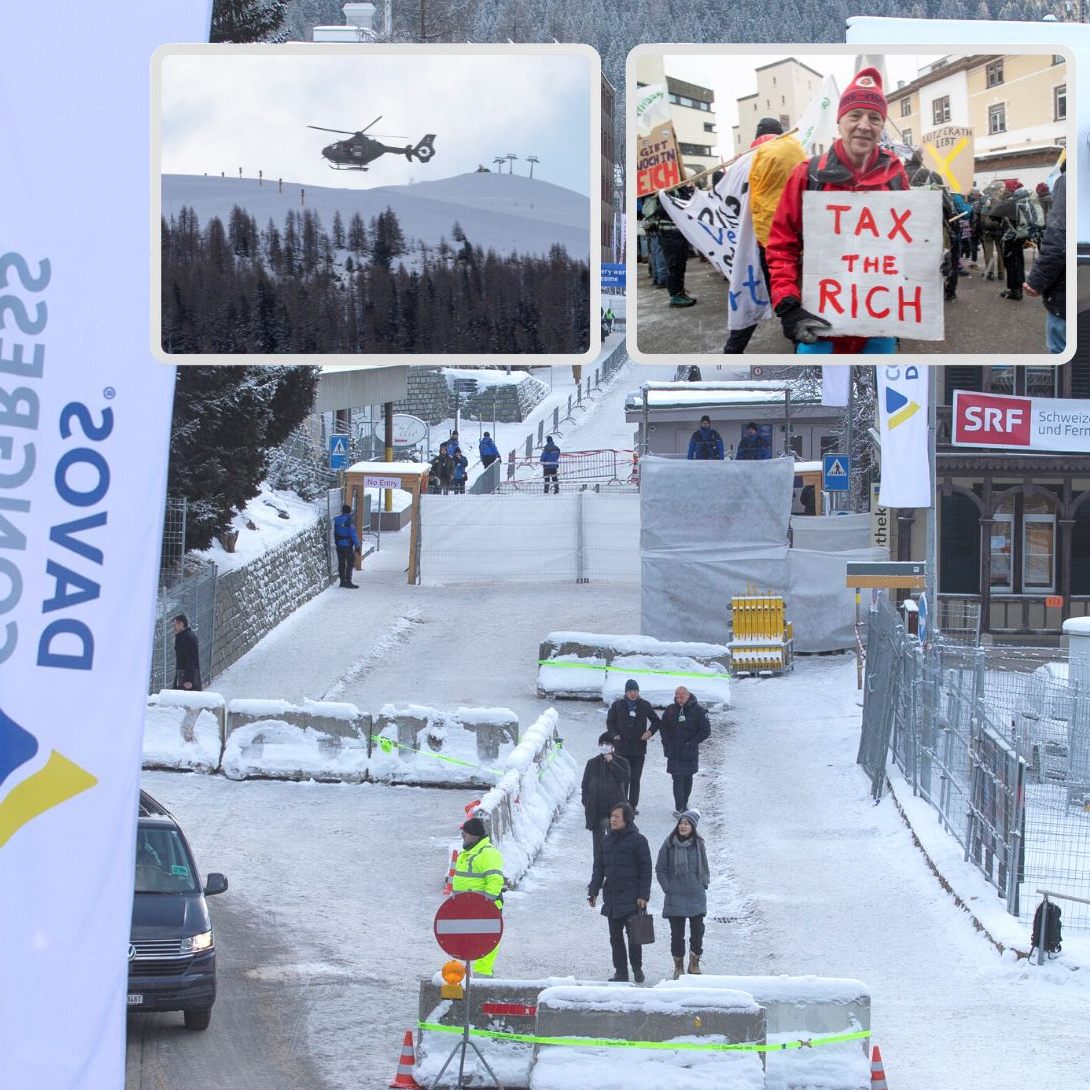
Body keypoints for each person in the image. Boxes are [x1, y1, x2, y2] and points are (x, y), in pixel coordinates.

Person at [766, 67, 910, 354]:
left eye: (874, 118)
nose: (864, 125)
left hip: (878, 319)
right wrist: (787, 303)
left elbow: (908, 241)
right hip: (820, 322)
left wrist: (929, 265)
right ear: (840, 121)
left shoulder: (896, 175)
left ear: (882, 126)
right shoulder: (808, 174)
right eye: (855, 116)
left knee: (876, 393)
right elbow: (782, 245)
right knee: (819, 394)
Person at [724, 117, 807, 353]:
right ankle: (799, 347)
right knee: (790, 297)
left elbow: (726, 201)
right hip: (794, 239)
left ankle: (733, 349)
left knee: (749, 291)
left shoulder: (743, 162)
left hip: (755, 241)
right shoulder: (797, 151)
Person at [587, 802, 652, 983]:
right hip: (613, 897)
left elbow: (646, 870)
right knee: (615, 938)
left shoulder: (638, 841)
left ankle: (637, 968)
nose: (613, 820)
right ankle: (620, 973)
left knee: (634, 938)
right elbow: (598, 868)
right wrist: (593, 891)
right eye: (612, 816)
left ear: (627, 819)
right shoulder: (606, 840)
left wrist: (643, 895)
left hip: (632, 897)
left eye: (617, 816)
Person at [655, 809, 710, 978]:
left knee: (698, 931)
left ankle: (694, 964)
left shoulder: (699, 843)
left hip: (696, 894)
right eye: (681, 823)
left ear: (693, 826)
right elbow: (660, 868)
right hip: (675, 895)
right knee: (677, 935)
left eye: (686, 823)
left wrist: (703, 883)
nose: (683, 826)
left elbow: (704, 865)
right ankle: (678, 966)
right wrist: (668, 888)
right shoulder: (669, 844)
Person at [451, 817, 505, 976]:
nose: (462, 838)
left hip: (485, 909)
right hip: (468, 908)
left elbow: (495, 881)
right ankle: (466, 976)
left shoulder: (487, 853)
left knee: (487, 942)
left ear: (474, 835)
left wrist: (486, 906)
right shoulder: (467, 853)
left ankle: (483, 976)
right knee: (467, 942)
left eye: (465, 835)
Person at [1025, 162, 1066, 354]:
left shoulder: (1067, 182)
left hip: (1067, 296)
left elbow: (1058, 240)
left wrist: (1036, 280)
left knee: (1060, 348)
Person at [606, 680, 661, 814]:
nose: (633, 694)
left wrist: (649, 732)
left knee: (635, 779)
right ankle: (622, 804)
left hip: (638, 749)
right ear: (626, 692)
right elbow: (610, 722)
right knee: (623, 778)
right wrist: (614, 735)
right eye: (630, 691)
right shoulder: (617, 705)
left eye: (635, 691)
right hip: (621, 748)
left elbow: (656, 721)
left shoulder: (645, 705)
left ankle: (632, 805)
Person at [640, 186, 696, 308]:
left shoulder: (678, 189)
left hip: (678, 232)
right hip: (668, 233)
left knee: (680, 263)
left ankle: (680, 291)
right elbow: (662, 210)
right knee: (674, 264)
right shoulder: (662, 193)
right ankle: (675, 296)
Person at [658, 686, 711, 816]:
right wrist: (667, 742)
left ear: (688, 696)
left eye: (682, 697)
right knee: (677, 778)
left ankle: (684, 803)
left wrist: (692, 743)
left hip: (689, 751)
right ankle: (679, 807)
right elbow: (663, 727)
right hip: (674, 751)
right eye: (677, 696)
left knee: (687, 778)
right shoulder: (670, 710)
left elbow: (706, 731)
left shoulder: (698, 711)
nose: (679, 699)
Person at [582, 733, 631, 857]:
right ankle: (598, 870)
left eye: (607, 744)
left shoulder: (622, 761)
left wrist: (612, 763)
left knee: (615, 840)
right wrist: (587, 801)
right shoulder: (592, 763)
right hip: (597, 808)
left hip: (615, 808)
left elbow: (624, 778)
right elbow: (585, 784)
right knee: (597, 845)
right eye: (602, 744)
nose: (604, 746)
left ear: (613, 746)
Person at [989, 179, 1033, 301]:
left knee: (1011, 263)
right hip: (1021, 235)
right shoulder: (1024, 201)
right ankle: (1019, 287)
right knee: (1018, 261)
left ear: (1008, 189)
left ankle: (1015, 291)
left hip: (1011, 237)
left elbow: (993, 214)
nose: (1003, 190)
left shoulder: (1009, 202)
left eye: (1005, 188)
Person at [332, 503, 360, 589]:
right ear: (349, 511)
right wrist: (357, 545)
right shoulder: (349, 521)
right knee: (350, 563)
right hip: (347, 545)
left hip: (339, 545)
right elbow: (353, 534)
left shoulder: (336, 520)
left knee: (341, 563)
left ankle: (342, 581)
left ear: (342, 511)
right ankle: (348, 581)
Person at [172, 613, 202, 691]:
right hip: (182, 674)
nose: (173, 628)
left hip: (186, 677)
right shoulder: (183, 637)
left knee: (183, 699)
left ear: (181, 624)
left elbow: (191, 659)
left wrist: (188, 679)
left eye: (175, 625)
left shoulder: (187, 638)